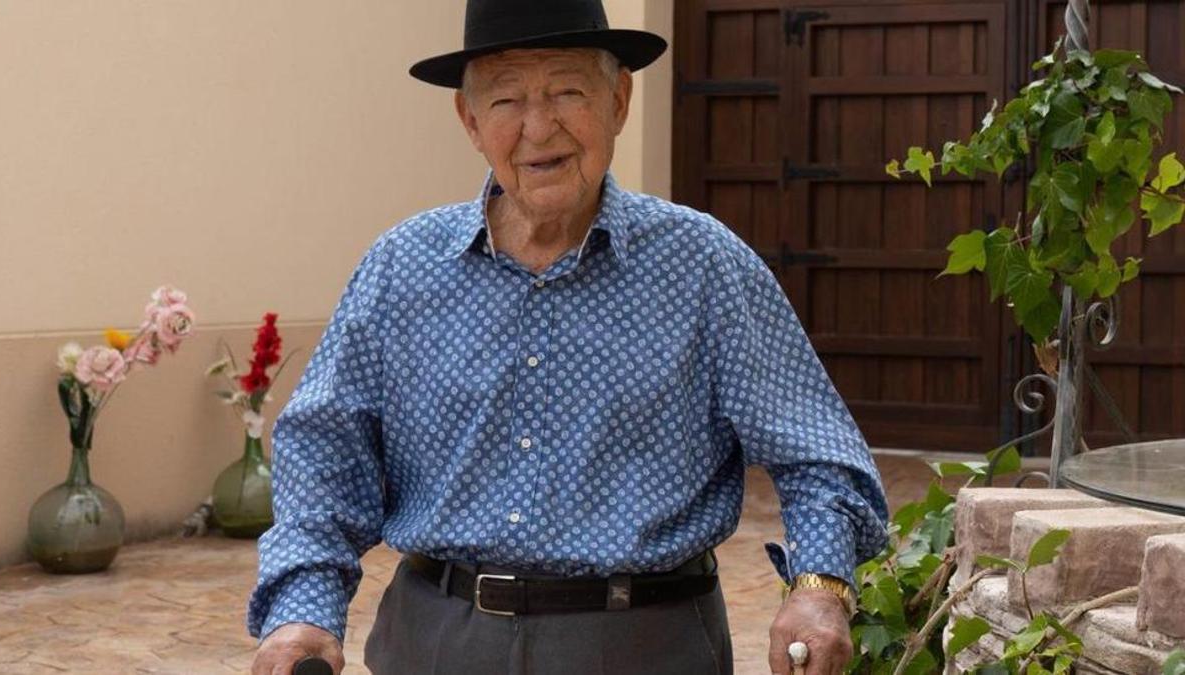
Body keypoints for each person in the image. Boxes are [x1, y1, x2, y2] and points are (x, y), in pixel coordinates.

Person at [248, 1, 889, 673]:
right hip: (436, 640)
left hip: (644, 643)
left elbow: (818, 452)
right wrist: (303, 608)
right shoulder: (401, 266)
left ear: (618, 100)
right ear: (470, 121)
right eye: (506, 100)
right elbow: (324, 451)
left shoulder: (703, 264)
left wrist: (819, 587)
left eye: (566, 91)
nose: (538, 126)